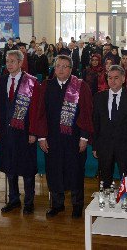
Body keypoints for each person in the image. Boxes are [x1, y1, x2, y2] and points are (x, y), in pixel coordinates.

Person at [34, 55, 94, 218]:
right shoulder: (46, 85)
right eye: (58, 66)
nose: (61, 69)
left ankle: (77, 205)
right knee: (54, 171)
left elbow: (87, 113)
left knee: (75, 171)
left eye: (65, 66)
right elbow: (40, 112)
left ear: (71, 69)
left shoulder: (80, 86)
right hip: (53, 138)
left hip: (74, 139)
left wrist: (84, 137)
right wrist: (41, 137)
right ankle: (57, 204)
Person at [0, 50, 45, 214]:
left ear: (20, 63)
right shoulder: (2, 80)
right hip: (7, 131)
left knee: (27, 168)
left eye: (13, 61)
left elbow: (36, 109)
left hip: (25, 133)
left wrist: (33, 132)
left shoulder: (31, 82)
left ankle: (29, 201)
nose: (9, 64)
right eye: (7, 61)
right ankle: (14, 199)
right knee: (10, 167)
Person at [92, 65, 127, 189]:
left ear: (123, 79)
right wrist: (95, 146)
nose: (112, 81)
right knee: (105, 181)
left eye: (116, 78)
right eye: (109, 78)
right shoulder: (99, 97)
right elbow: (95, 124)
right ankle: (105, 206)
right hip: (104, 146)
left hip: (126, 146)